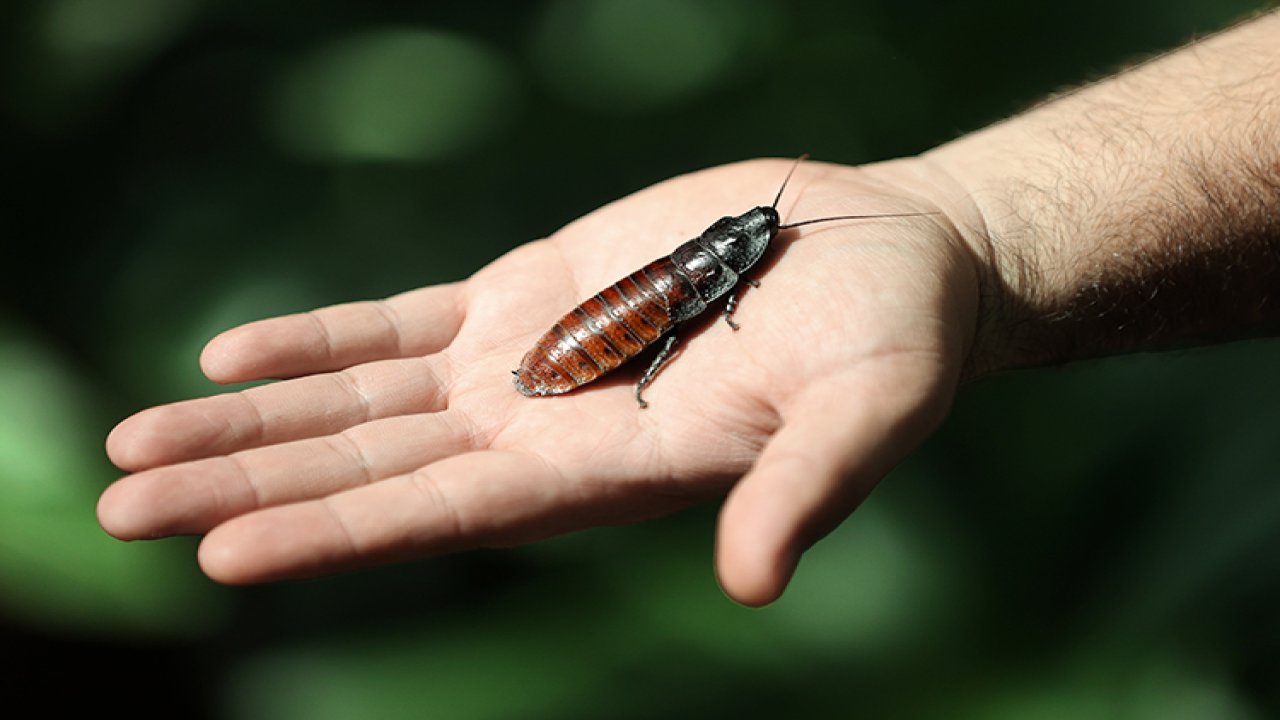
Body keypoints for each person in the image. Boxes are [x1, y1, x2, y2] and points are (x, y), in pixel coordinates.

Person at [97, 11, 1279, 607]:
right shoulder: (712, 274)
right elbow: (689, 303)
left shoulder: (735, 261)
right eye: (753, 242)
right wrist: (961, 211)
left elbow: (711, 287)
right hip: (609, 323)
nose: (760, 244)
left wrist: (962, 220)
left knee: (658, 319)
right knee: (652, 322)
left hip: (632, 308)